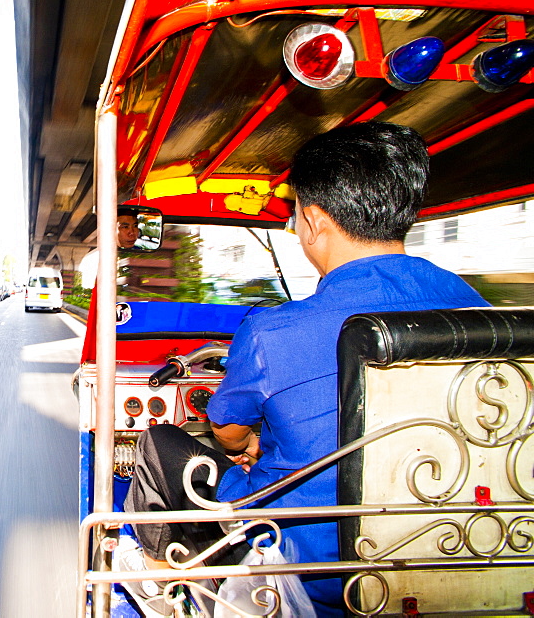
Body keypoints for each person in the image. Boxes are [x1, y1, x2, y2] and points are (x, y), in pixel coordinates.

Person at [122, 122, 489, 616]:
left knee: (158, 444)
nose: (296, 230)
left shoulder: (273, 332)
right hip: (454, 553)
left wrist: (246, 444)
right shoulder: (479, 312)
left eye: (295, 217)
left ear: (314, 220)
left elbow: (227, 428)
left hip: (307, 571)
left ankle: (160, 587)